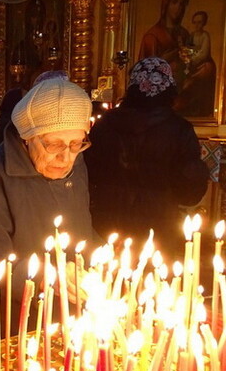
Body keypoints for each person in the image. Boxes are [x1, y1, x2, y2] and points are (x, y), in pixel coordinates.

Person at [0, 78, 95, 341]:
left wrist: (99, 260)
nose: (66, 158)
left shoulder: (75, 166)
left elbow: (82, 230)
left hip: (73, 315)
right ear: (27, 137)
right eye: (54, 145)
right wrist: (45, 277)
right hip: (15, 322)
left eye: (76, 144)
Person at [85, 57, 209, 260]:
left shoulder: (106, 123)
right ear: (168, 87)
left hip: (106, 224)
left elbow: (88, 173)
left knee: (106, 284)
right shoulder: (179, 129)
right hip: (158, 228)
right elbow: (190, 191)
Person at [179, 10, 217, 117]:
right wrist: (187, 58)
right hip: (191, 64)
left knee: (200, 77)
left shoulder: (205, 36)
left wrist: (193, 60)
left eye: (199, 22)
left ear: (203, 23)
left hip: (204, 63)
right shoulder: (191, 36)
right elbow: (187, 49)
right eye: (195, 22)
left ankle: (202, 108)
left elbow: (204, 53)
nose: (197, 25)